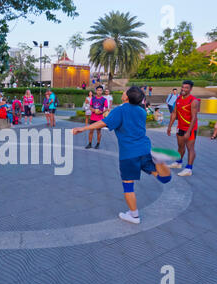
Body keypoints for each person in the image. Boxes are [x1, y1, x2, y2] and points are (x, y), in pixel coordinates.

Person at [73, 86, 179, 225]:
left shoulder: (120, 110)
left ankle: (134, 216)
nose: (123, 92)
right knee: (164, 179)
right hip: (145, 150)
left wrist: (82, 128)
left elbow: (103, 123)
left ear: (127, 97)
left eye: (125, 91)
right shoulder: (141, 111)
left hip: (129, 154)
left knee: (128, 186)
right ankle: (160, 161)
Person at [167, 80, 200, 177]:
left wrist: (189, 131)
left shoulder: (193, 101)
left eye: (186, 88)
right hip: (180, 127)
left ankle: (189, 169)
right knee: (180, 146)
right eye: (183, 87)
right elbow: (174, 113)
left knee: (190, 148)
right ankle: (178, 163)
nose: (184, 89)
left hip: (190, 128)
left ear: (190, 89)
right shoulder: (178, 99)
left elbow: (194, 117)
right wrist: (169, 127)